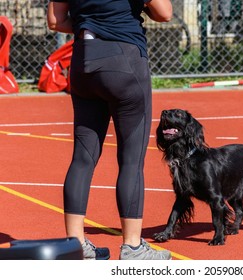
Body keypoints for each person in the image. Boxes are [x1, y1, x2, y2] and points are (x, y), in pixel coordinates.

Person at [47, 0, 173, 260]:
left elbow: (55, 21)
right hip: (124, 59)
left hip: (82, 61)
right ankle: (133, 247)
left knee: (82, 157)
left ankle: (76, 244)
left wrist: (90, 22)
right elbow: (165, 13)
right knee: (130, 159)